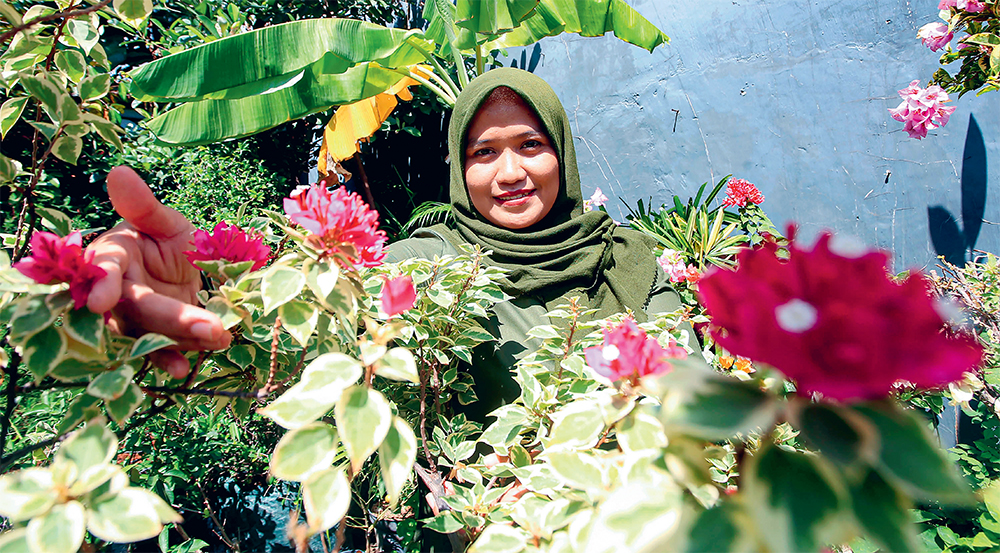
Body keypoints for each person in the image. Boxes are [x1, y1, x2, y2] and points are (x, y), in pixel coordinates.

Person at [85, 68, 685, 417]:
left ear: (562, 151)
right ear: (457, 167)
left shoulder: (630, 260)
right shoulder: (439, 260)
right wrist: (211, 283)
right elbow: (337, 289)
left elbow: (690, 388)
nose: (509, 173)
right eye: (483, 153)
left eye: (530, 144)